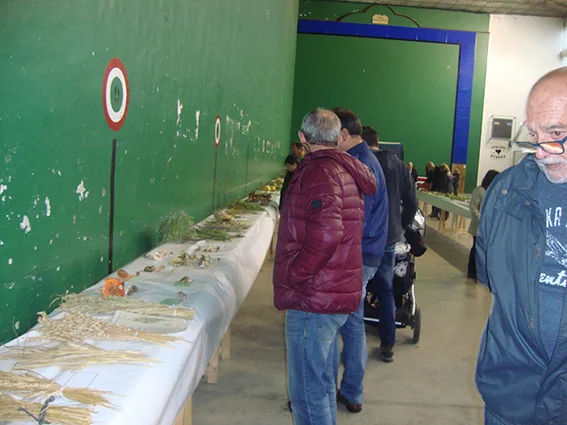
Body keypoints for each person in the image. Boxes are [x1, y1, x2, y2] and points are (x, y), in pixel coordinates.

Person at [273, 108, 376, 425]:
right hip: (330, 290)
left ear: (302, 137)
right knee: (320, 384)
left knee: (307, 392)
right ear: (336, 136)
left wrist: (295, 274)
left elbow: (327, 235)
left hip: (314, 296)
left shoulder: (319, 172)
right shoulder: (343, 168)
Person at [476, 67, 567, 424]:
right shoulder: (506, 192)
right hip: (511, 391)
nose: (542, 152)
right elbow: (490, 274)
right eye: (533, 135)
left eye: (556, 133)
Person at [331, 109, 388, 413]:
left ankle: (329, 391)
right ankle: (352, 392)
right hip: (367, 253)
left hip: (358, 254)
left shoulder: (359, 165)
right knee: (352, 323)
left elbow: (355, 220)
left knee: (333, 323)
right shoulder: (364, 160)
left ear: (343, 135)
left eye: (331, 136)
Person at [363, 125, 418, 362]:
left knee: (357, 288)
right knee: (386, 289)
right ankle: (387, 343)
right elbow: (412, 203)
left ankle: (354, 346)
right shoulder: (399, 165)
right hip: (389, 236)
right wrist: (401, 227)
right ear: (378, 142)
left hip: (364, 236)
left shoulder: (360, 163)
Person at [466, 169, 499, 280]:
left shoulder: (495, 190)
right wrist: (481, 218)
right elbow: (473, 207)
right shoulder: (479, 190)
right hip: (479, 225)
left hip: (490, 226)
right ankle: (472, 272)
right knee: (476, 248)